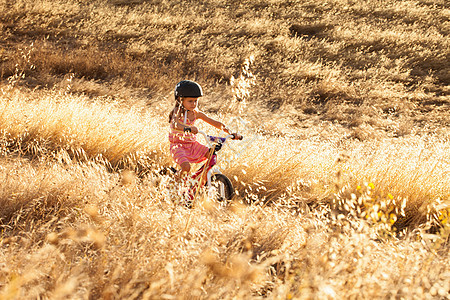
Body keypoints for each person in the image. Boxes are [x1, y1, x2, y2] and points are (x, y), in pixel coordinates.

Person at [168, 80, 241, 177]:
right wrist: (188, 128)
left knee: (212, 155)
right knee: (186, 168)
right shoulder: (177, 112)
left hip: (192, 145)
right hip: (178, 146)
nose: (194, 104)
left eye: (196, 101)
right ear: (180, 100)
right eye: (190, 101)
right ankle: (174, 185)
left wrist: (230, 133)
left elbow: (215, 123)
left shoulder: (196, 113)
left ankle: (199, 181)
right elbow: (174, 124)